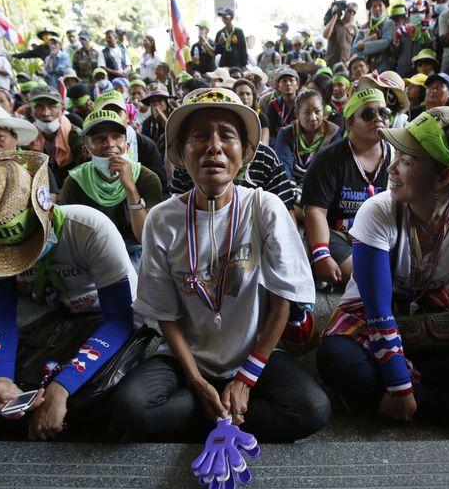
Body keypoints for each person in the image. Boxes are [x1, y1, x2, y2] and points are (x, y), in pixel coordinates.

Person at [109, 88, 330, 442]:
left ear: (244, 153)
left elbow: (282, 302)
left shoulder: (265, 208)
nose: (213, 146)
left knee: (312, 409)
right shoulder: (162, 220)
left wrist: (246, 378)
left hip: (252, 352)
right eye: (199, 136)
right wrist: (196, 380)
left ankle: (217, 410)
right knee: (131, 407)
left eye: (226, 136)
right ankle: (222, 409)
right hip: (187, 358)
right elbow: (165, 314)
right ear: (181, 153)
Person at [318, 107, 449, 438]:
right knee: (337, 359)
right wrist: (398, 383)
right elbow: (378, 312)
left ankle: (390, 395)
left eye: (406, 161)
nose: (391, 168)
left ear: (444, 176)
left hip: (432, 318)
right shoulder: (378, 211)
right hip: (371, 318)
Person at [0, 150, 137, 441]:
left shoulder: (90, 228)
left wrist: (62, 386)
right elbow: (0, 315)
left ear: (47, 208)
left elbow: (120, 320)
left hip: (106, 316)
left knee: (102, 391)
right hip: (58, 318)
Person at [302, 88, 392, 285]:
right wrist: (322, 255)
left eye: (383, 113)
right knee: (361, 276)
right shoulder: (328, 158)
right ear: (349, 123)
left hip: (381, 233)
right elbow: (315, 210)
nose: (378, 119)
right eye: (368, 114)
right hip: (337, 233)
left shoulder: (397, 156)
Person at [60, 110, 162, 269]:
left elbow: (144, 238)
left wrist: (130, 187)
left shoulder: (146, 178)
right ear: (86, 151)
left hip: (136, 249)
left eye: (116, 136)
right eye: (99, 139)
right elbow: (74, 239)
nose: (109, 144)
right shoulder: (75, 183)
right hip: (94, 251)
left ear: (127, 146)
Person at [274, 89, 341, 220]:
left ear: (324, 111)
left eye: (317, 111)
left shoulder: (333, 134)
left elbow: (333, 172)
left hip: (320, 188)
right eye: (307, 112)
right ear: (297, 113)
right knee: (278, 192)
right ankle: (311, 216)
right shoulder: (286, 133)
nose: (313, 118)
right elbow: (284, 172)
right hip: (292, 189)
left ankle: (304, 215)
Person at [24, 86, 86, 186]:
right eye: (39, 107)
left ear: (62, 110)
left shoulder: (76, 136)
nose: (46, 113)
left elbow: (83, 172)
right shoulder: (26, 138)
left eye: (52, 106)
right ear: (31, 111)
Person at [233, 78, 270, 146]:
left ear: (253, 97)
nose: (245, 97)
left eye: (248, 94)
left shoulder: (261, 117)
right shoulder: (230, 116)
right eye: (241, 94)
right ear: (234, 96)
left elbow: (265, 144)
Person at [266, 68, 300, 139]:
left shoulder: (303, 103)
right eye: (284, 81)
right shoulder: (273, 105)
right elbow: (271, 131)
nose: (288, 84)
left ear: (297, 85)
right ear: (278, 86)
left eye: (291, 80)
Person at [323, 1, 358, 67]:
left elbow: (356, 50)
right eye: (349, 11)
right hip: (330, 63)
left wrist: (349, 61)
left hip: (345, 65)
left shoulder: (355, 29)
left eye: (354, 12)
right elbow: (325, 35)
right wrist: (335, 16)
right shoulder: (335, 23)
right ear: (345, 10)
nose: (351, 14)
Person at [140, 86, 174, 153]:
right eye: (153, 101)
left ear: (167, 102)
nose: (156, 103)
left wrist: (164, 121)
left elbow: (176, 137)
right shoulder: (147, 123)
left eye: (159, 100)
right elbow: (146, 147)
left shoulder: (176, 116)